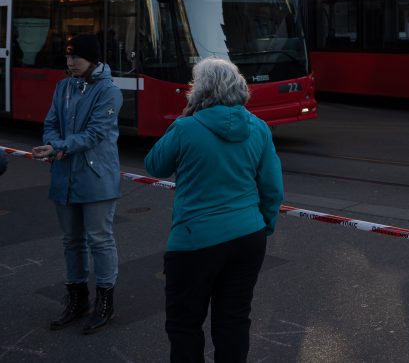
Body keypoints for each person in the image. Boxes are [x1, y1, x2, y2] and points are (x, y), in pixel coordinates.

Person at [144, 57, 283, 363]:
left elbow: (154, 165)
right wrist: (264, 224)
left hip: (195, 241)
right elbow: (272, 188)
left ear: (199, 90)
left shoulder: (186, 127)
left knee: (184, 324)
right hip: (248, 236)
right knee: (233, 319)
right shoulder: (258, 128)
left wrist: (182, 120)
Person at [32, 33, 123, 334]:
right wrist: (52, 143)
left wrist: (58, 147)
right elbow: (50, 123)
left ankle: (105, 300)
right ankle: (77, 298)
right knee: (71, 240)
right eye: (68, 57)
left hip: (96, 177)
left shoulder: (109, 91)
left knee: (99, 239)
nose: (70, 62)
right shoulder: (63, 87)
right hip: (65, 175)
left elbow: (95, 134)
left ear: (92, 59)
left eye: (76, 57)